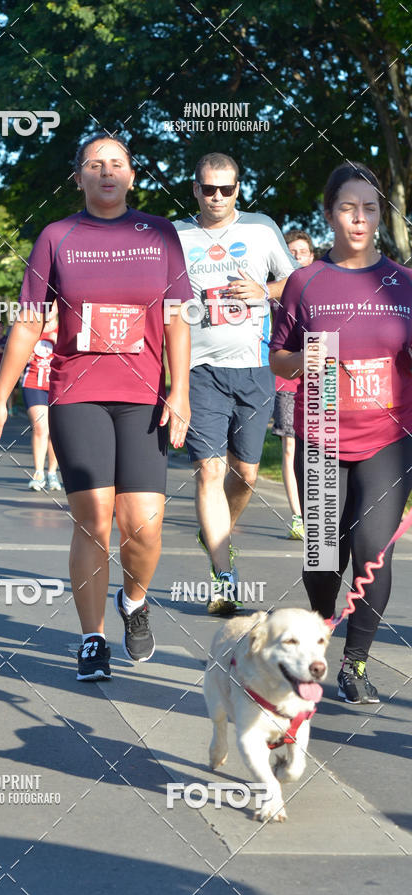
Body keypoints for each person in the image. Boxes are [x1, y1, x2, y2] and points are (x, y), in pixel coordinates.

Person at [0, 132, 192, 681]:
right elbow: (29, 322)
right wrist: (2, 398)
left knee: (143, 526)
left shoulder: (160, 234)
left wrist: (181, 389)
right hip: (76, 392)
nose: (106, 171)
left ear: (132, 175)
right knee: (96, 520)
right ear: (77, 177)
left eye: (117, 163)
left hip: (143, 395)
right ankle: (93, 636)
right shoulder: (58, 237)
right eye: (94, 164)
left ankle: (135, 601)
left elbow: (176, 318)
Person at [270, 161, 412, 704]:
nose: (359, 218)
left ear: (380, 215)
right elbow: (279, 358)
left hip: (389, 436)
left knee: (374, 548)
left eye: (370, 208)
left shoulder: (402, 283)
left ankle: (355, 663)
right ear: (330, 214)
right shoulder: (306, 282)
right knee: (324, 556)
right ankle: (323, 620)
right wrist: (303, 358)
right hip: (323, 430)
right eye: (348, 208)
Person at [173, 152, 296, 614]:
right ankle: (224, 578)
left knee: (244, 474)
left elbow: (297, 283)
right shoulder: (177, 235)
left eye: (226, 189)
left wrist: (264, 291)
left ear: (239, 189)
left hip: (254, 367)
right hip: (199, 369)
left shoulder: (261, 229)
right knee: (209, 470)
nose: (217, 197)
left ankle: (215, 532)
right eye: (209, 189)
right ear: (195, 189)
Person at [271, 230, 316, 541]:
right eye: (291, 252)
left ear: (311, 256)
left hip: (319, 378)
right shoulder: (275, 292)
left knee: (319, 447)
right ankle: (298, 516)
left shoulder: (323, 286)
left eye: (302, 251)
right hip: (286, 379)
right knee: (290, 447)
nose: (297, 256)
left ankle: (322, 512)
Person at [21, 303, 62, 491]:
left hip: (58, 385)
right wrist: (24, 355)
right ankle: (38, 473)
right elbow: (15, 351)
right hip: (33, 383)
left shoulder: (65, 329)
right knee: (40, 427)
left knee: (55, 431)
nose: (49, 309)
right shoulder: (31, 327)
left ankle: (52, 472)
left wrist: (60, 342)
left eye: (52, 305)